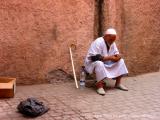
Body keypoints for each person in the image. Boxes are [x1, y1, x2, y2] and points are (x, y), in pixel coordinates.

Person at [84, 28, 128, 95]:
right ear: (106, 36)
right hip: (92, 63)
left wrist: (118, 56)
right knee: (99, 63)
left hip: (106, 62)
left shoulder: (112, 43)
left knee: (121, 61)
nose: (112, 41)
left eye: (114, 40)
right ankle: (100, 87)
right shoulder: (98, 42)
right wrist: (110, 57)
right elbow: (94, 58)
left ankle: (118, 84)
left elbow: (116, 53)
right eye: (111, 39)